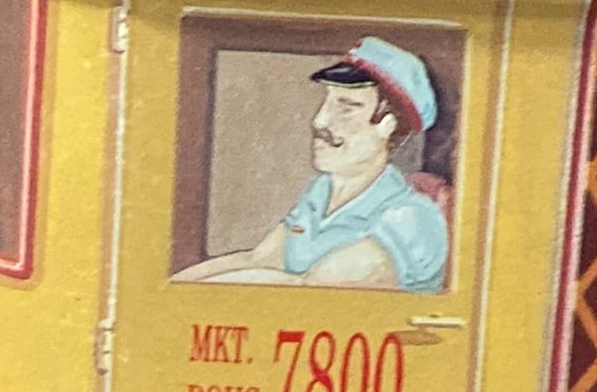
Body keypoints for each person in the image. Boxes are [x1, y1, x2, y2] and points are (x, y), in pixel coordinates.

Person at [178, 36, 451, 292]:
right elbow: (258, 260)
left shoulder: (412, 218)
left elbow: (309, 290)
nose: (320, 121)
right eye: (326, 102)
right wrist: (166, 290)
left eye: (346, 107)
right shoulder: (320, 192)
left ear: (387, 125)